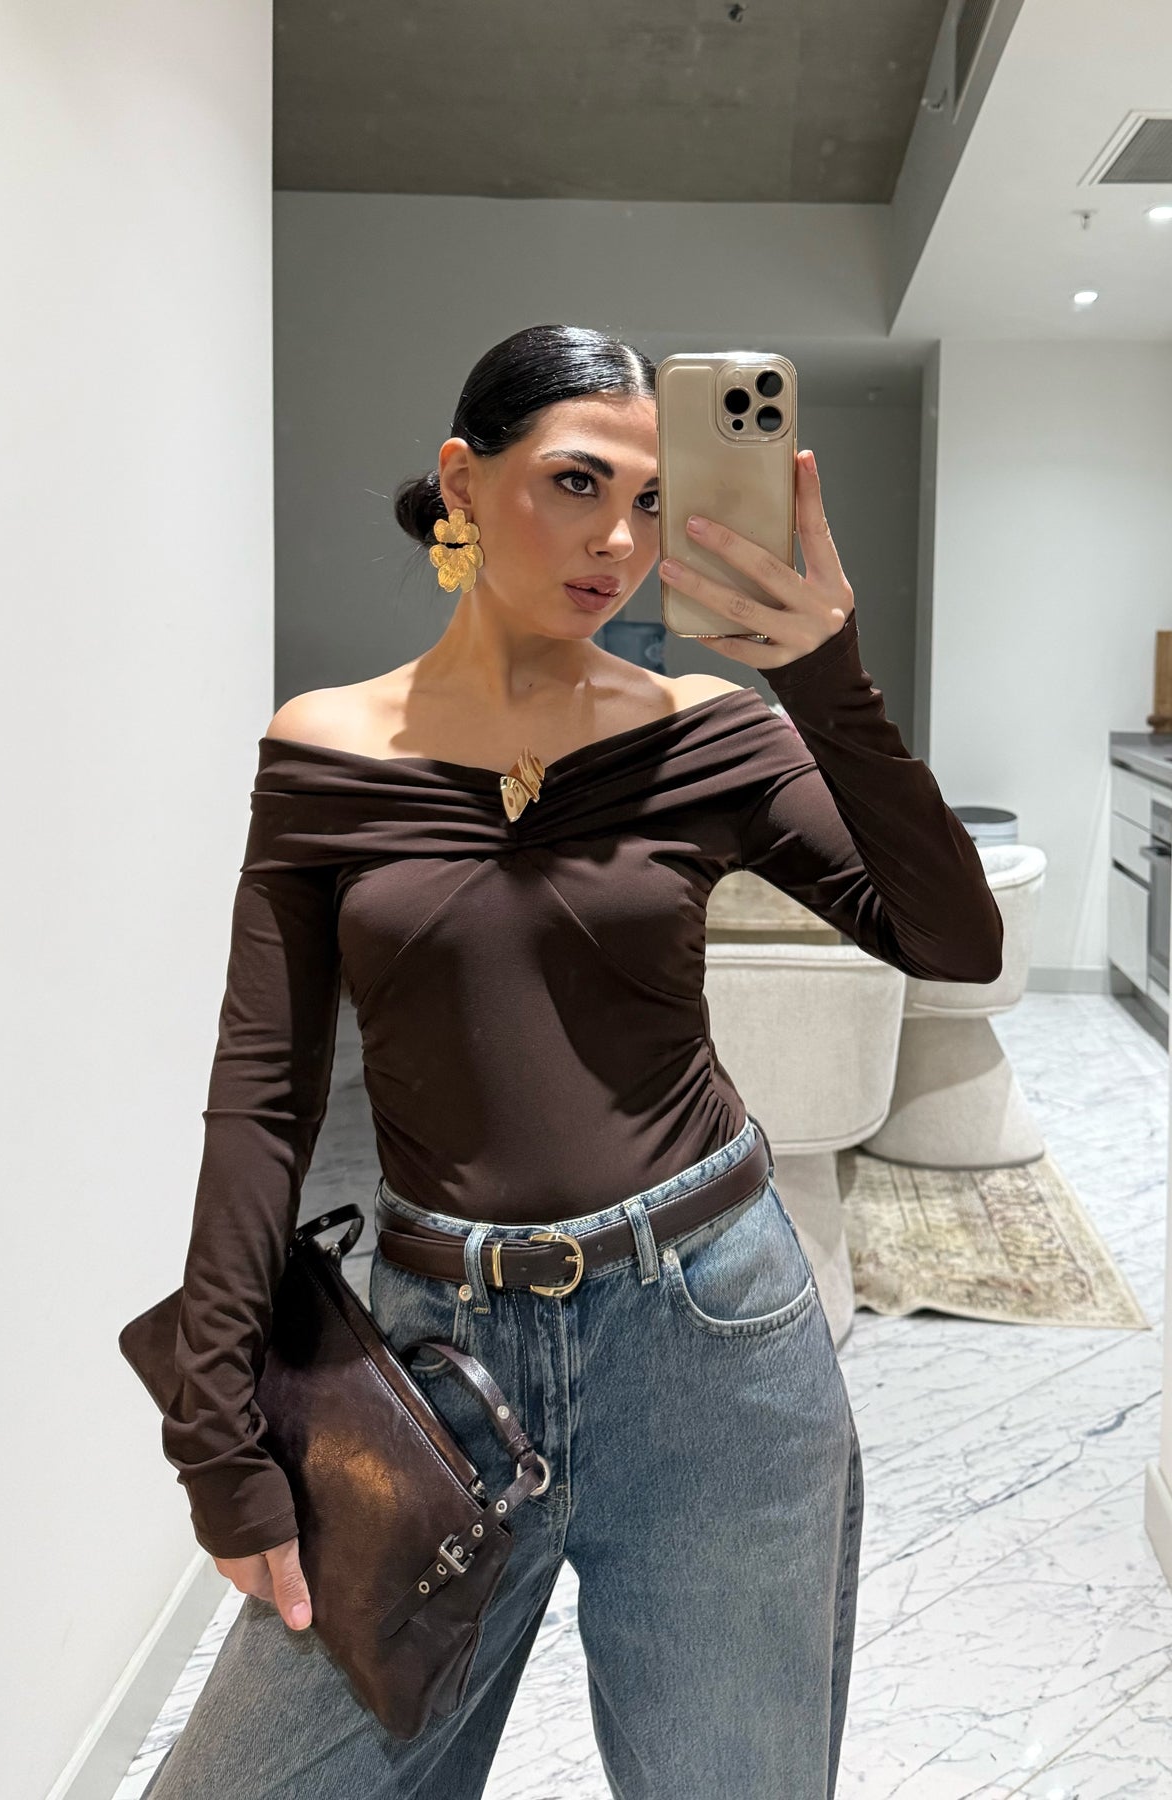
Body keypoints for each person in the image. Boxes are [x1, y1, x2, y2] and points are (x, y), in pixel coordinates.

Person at [139, 323, 1003, 1799]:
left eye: (654, 502)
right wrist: (214, 1427)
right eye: (577, 482)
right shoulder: (327, 753)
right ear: (463, 483)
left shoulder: (709, 736)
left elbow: (953, 939)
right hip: (438, 1358)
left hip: (712, 1337)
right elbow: (262, 1096)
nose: (619, 540)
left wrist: (829, 682)